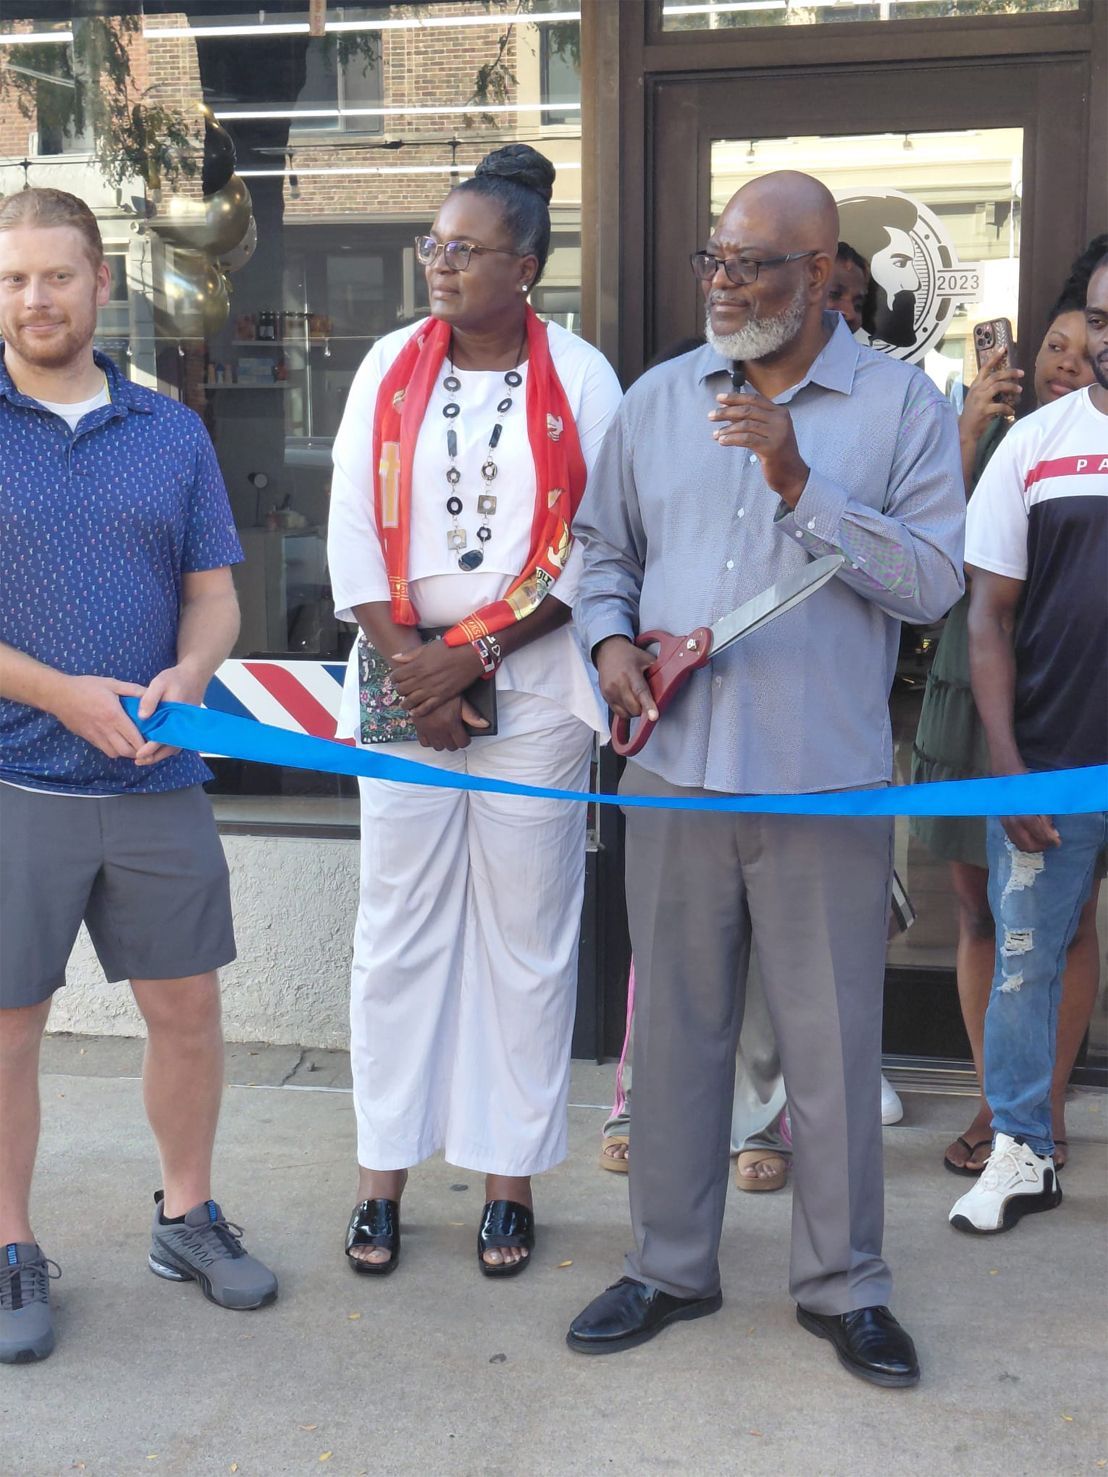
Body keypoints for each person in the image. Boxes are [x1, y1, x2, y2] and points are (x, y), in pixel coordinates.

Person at [568, 170, 964, 1388]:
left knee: (831, 1041)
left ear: (822, 273)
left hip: (819, 782)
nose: (726, 284)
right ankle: (669, 1268)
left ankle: (844, 1286)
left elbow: (933, 586)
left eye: (754, 266)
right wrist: (611, 643)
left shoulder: (901, 408)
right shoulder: (653, 399)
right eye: (715, 261)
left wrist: (801, 485)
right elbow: (599, 554)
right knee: (675, 1034)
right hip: (672, 771)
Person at [327, 145, 621, 1279]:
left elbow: (594, 548)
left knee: (525, 938)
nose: (438, 267)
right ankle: (380, 1180)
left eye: (463, 250)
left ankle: (507, 1184)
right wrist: (417, 670)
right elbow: (354, 526)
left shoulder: (585, 378)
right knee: (396, 933)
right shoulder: (388, 363)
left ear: (527, 268)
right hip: (399, 676)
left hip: (538, 689)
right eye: (430, 247)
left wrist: (478, 658)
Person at [0, 189, 277, 1366]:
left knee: (189, 1015)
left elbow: (213, 591)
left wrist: (192, 669)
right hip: (17, 782)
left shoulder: (170, 432)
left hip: (158, 782)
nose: (33, 299)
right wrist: (62, 692)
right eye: (12, 279)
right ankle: (11, 1244)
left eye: (55, 276)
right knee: (9, 1030)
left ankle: (186, 1215)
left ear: (102, 283)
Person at [912, 250, 1104, 1177]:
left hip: (1058, 698)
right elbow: (922, 550)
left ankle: (1040, 1112)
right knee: (983, 911)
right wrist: (967, 427)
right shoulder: (1002, 441)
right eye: (1059, 343)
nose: (1071, 359)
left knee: (1063, 919)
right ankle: (1001, 1106)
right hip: (969, 692)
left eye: (1085, 343)